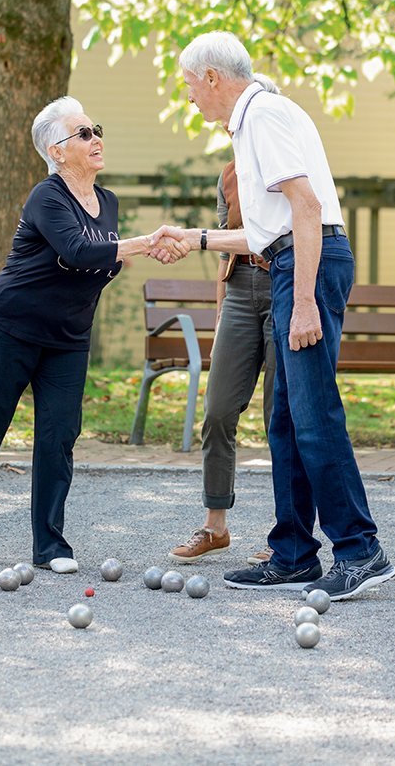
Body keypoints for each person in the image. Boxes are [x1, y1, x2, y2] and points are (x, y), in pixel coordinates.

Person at [155, 31, 395, 601]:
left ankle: (361, 549)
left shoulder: (262, 115)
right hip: (292, 258)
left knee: (312, 414)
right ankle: (292, 554)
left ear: (213, 78)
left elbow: (307, 208)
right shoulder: (256, 119)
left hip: (306, 267)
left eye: (191, 88)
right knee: (286, 418)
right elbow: (267, 228)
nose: (191, 101)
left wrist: (306, 298)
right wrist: (196, 238)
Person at [0, 96, 186, 573]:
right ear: (57, 149)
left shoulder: (107, 201)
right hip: (14, 324)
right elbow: (77, 249)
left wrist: (138, 253)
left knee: (59, 434)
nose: (96, 140)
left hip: (69, 334)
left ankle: (50, 547)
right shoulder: (45, 196)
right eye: (83, 133)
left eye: (96, 129)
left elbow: (98, 263)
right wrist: (139, 245)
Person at [167, 75, 281, 567]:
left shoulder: (287, 161)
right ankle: (215, 526)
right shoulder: (228, 175)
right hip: (239, 290)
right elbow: (225, 243)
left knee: (284, 417)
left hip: (281, 286)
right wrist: (219, 315)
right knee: (217, 410)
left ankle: (289, 533)